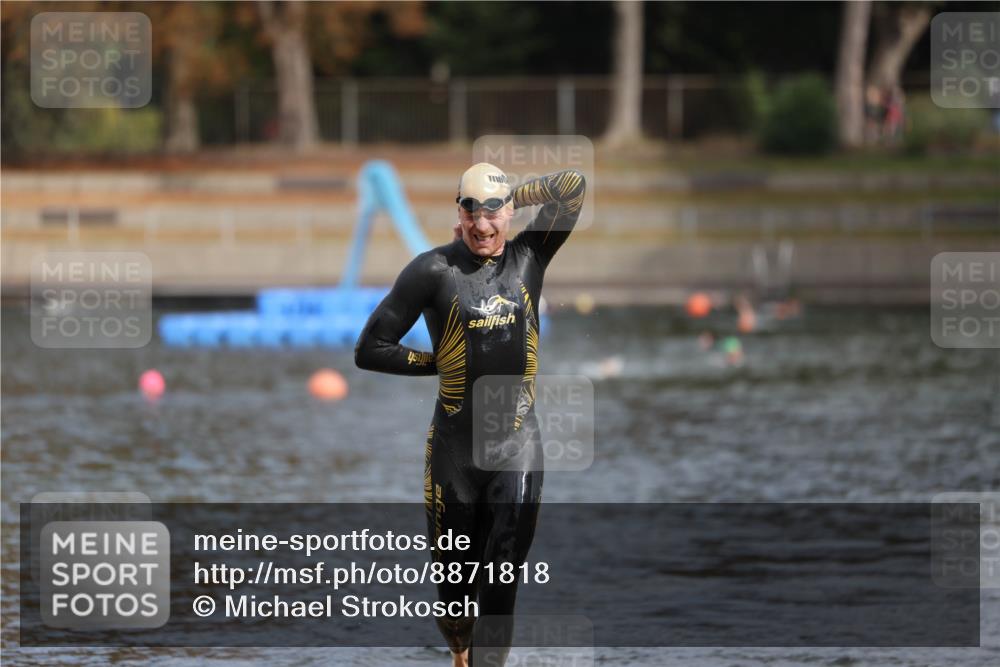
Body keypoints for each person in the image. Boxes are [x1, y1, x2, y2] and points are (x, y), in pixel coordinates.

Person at [355, 163, 586, 667]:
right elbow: (370, 348)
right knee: (456, 599)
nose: (483, 226)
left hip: (516, 446)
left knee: (502, 580)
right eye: (471, 211)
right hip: (455, 456)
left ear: (508, 214)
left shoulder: (530, 256)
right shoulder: (431, 271)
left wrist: (512, 195)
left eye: (493, 212)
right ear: (457, 214)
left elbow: (572, 188)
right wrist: (434, 363)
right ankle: (461, 651)